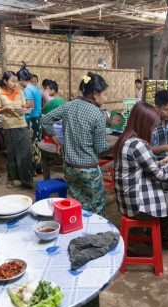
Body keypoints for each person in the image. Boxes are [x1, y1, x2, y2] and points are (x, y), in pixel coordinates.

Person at [113, 101, 168, 254]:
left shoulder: (126, 140)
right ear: (144, 124)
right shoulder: (138, 145)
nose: (152, 129)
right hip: (136, 207)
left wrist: (164, 160)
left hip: (125, 202)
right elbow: (160, 175)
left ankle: (159, 229)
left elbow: (145, 165)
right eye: (151, 125)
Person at [42, 72, 112, 216]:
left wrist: (57, 142)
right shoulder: (98, 114)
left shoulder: (69, 105)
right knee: (96, 207)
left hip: (69, 168)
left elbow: (45, 120)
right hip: (89, 171)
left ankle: (77, 233)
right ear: (95, 94)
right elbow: (101, 150)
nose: (106, 98)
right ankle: (96, 235)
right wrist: (116, 146)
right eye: (105, 94)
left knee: (76, 204)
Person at [0, 71, 34, 189]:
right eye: (12, 81)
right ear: (5, 81)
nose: (15, 84)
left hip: (22, 124)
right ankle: (11, 179)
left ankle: (26, 180)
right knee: (12, 154)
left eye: (16, 81)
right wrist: (4, 109)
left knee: (26, 153)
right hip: (9, 126)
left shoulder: (20, 92)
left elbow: (23, 108)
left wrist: (26, 110)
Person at [17, 67, 43, 176]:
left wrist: (19, 108)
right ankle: (39, 167)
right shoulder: (35, 88)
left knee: (30, 144)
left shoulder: (27, 90)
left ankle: (32, 169)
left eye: (19, 81)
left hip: (31, 120)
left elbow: (30, 106)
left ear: (21, 80)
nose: (19, 84)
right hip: (38, 118)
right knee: (37, 143)